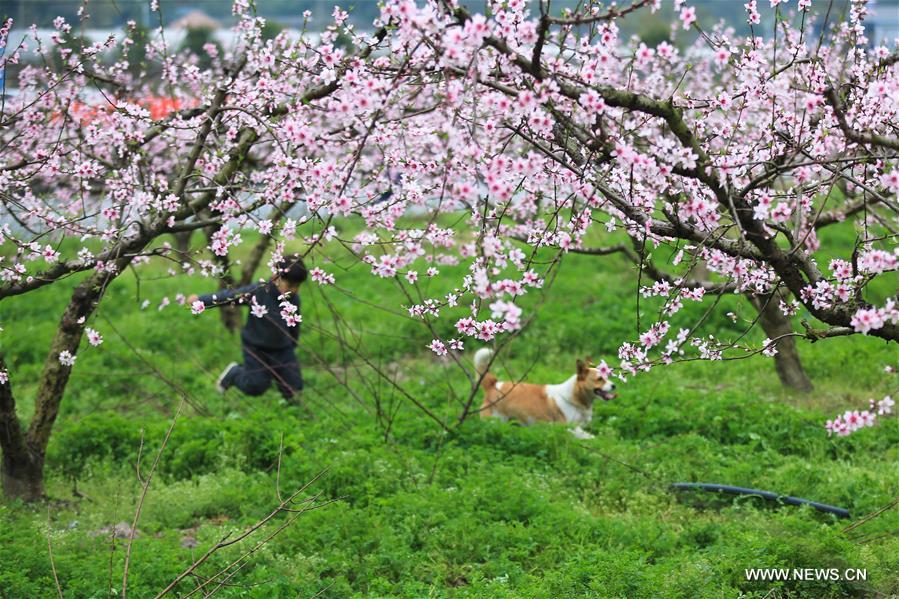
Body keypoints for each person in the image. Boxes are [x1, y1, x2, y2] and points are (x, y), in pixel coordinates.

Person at [188, 254, 307, 402]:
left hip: (282, 349)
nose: (294, 290)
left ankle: (293, 413)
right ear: (276, 276)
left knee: (294, 387)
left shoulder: (294, 299)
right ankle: (234, 373)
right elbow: (230, 296)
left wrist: (292, 343)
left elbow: (294, 325)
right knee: (256, 386)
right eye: (290, 286)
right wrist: (200, 301)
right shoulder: (259, 291)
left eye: (297, 286)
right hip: (256, 348)